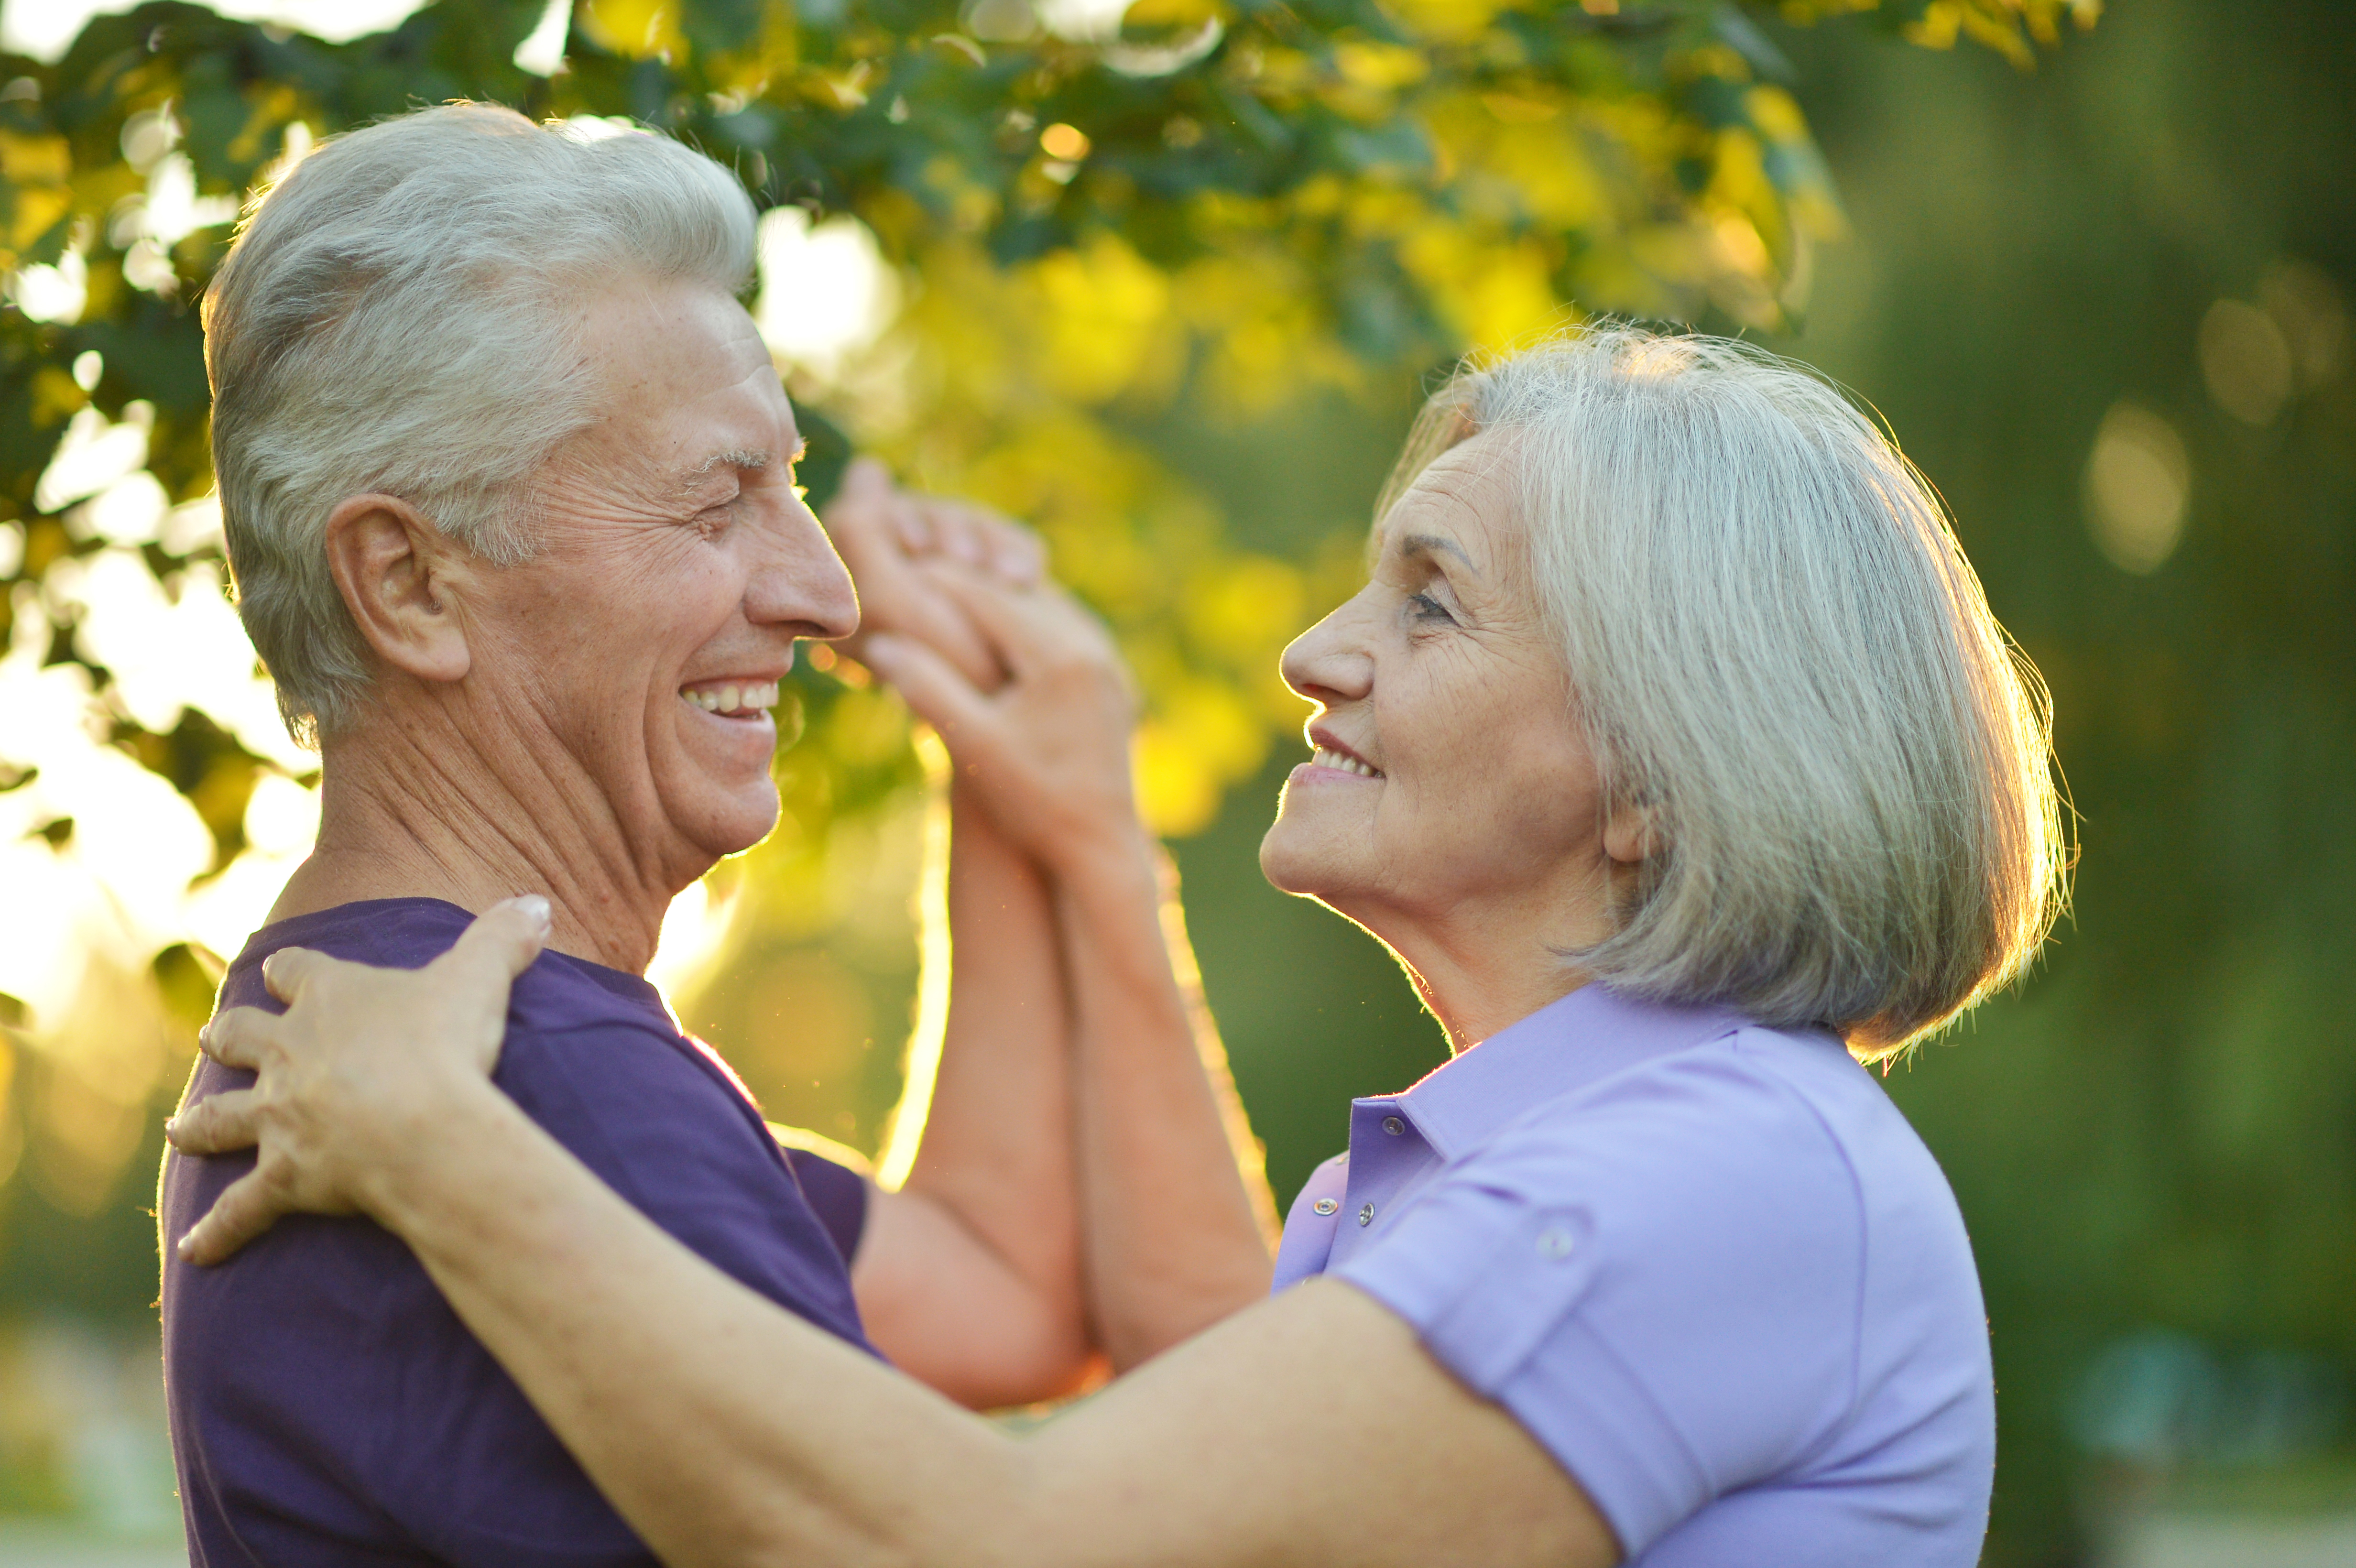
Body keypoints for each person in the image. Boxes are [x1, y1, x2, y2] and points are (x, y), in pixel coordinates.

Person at [173, 326, 2068, 1567]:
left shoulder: (1710, 1180)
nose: (1314, 652)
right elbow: (1187, 1388)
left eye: (1429, 604)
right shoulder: (1530, 1168)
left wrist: (443, 1151)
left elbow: (993, 1543)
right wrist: (1064, 814)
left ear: (1652, 771)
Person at [159, 102, 1273, 1567]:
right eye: (716, 502)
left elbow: (1011, 1298)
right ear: (411, 584)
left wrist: (1024, 781)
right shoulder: (528, 1076)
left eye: (795, 486)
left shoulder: (415, 1034)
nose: (829, 594)